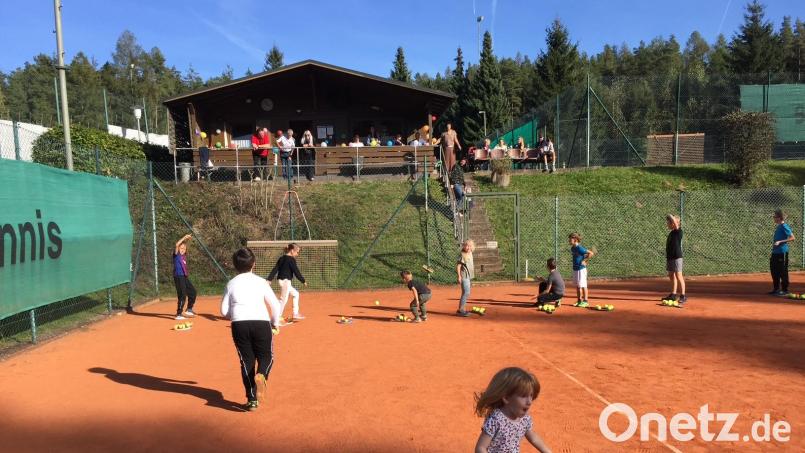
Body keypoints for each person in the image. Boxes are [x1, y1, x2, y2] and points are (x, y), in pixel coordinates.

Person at [220, 248, 282, 411]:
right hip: (261, 322)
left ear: (235, 266)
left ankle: (252, 399)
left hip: (239, 324)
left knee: (246, 361)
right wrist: (275, 322)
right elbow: (275, 304)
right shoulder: (261, 282)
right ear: (253, 264)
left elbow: (223, 311)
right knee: (267, 357)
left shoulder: (231, 283)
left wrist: (235, 315)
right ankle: (262, 375)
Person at [474, 367, 551, 453]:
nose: (529, 401)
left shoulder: (525, 419)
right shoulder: (496, 420)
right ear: (506, 398)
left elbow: (533, 438)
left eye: (531, 395)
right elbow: (480, 448)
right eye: (523, 396)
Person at [267, 243, 307, 324]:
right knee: (283, 300)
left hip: (282, 281)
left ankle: (295, 313)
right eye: (297, 252)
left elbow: (275, 269)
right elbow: (296, 271)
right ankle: (277, 318)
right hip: (286, 281)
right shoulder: (291, 260)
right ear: (292, 251)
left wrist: (269, 279)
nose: (297, 254)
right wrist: (303, 281)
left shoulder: (282, 258)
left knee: (296, 294)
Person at [770, 209, 795, 296]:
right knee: (774, 270)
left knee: (782, 271)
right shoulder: (779, 226)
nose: (773, 218)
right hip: (775, 252)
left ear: (779, 218)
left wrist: (780, 241)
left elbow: (792, 237)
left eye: (775, 217)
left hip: (782, 252)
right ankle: (776, 289)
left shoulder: (784, 226)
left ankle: (785, 290)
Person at [172, 234, 197, 320]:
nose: (182, 250)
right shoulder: (176, 256)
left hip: (184, 277)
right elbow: (177, 244)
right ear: (178, 249)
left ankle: (189, 309)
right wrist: (184, 238)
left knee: (193, 292)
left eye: (184, 249)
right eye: (181, 248)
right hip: (178, 276)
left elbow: (184, 246)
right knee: (182, 294)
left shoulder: (183, 257)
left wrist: (188, 241)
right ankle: (179, 314)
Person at [664, 214, 686, 304]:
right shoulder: (672, 233)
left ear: (674, 223)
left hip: (677, 257)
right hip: (670, 257)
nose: (667, 224)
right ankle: (673, 294)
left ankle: (683, 296)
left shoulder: (678, 232)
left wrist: (670, 216)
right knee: (671, 275)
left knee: (678, 276)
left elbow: (676, 224)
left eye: (669, 223)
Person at [569, 232, 594, 307]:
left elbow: (591, 253)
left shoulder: (580, 248)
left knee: (583, 285)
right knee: (578, 285)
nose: (569, 240)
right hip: (575, 269)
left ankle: (585, 301)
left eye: (570, 239)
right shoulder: (572, 248)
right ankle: (579, 301)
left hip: (581, 269)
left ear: (575, 239)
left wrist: (585, 260)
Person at [456, 240, 475, 317]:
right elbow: (458, 266)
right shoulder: (462, 255)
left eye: (470, 246)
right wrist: (459, 276)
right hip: (464, 276)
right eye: (467, 246)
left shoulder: (470, 253)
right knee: (466, 293)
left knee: (466, 292)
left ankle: (460, 309)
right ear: (464, 246)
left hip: (468, 276)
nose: (468, 247)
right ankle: (461, 310)